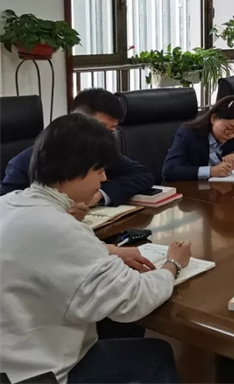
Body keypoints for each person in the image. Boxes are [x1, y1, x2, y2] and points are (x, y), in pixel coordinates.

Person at [0, 113, 191, 383]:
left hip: (9, 359)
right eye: (98, 170)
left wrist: (110, 250)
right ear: (71, 169)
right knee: (156, 355)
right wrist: (174, 264)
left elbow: (40, 253)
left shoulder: (9, 203)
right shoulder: (58, 227)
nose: (104, 178)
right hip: (39, 373)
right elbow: (134, 299)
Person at [1, 88, 153, 216]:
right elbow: (7, 212)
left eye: (111, 131)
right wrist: (57, 212)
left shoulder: (100, 152)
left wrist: (99, 195)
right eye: (100, 127)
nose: (105, 137)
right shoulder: (22, 163)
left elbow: (142, 174)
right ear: (76, 119)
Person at [162, 95, 234, 182]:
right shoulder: (189, 134)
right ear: (213, 118)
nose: (231, 135)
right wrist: (211, 171)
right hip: (188, 192)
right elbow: (169, 171)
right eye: (228, 128)